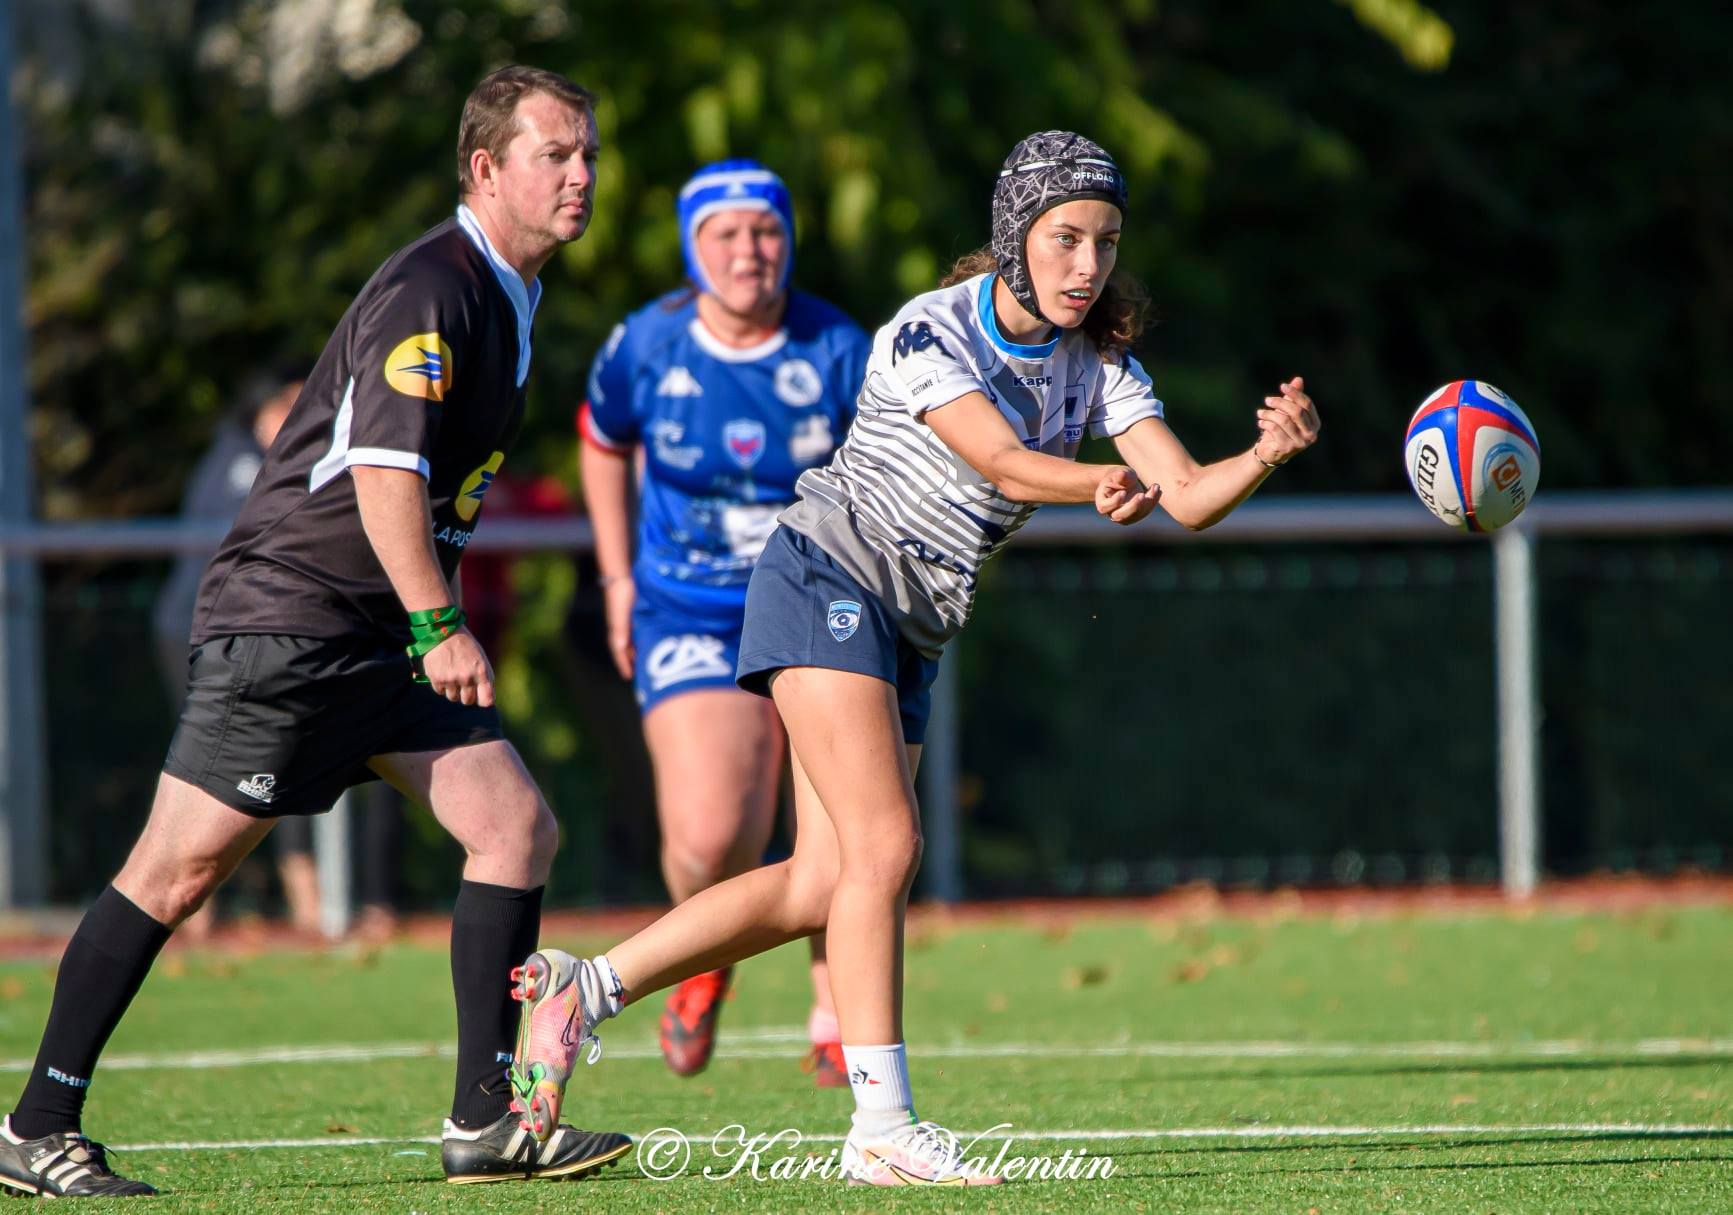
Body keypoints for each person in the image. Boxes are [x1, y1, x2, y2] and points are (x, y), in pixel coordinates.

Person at [508, 129, 1322, 1185]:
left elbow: (1189, 495)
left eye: (1105, 242)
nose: (1086, 265)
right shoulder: (926, 331)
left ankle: (587, 989)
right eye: (1065, 237)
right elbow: (998, 459)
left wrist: (1262, 452)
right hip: (821, 574)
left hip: (908, 625)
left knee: (818, 880)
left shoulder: (1099, 365)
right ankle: (881, 1129)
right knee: (885, 848)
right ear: (1014, 233)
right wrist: (1097, 486)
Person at [0, 66, 631, 1198]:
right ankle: (35, 1124)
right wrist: (440, 620)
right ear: (485, 171)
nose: (580, 174)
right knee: (175, 874)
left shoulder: (509, 296)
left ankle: (484, 1118)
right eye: (555, 154)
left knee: (512, 826)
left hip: (370, 640)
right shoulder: (433, 285)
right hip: (292, 625)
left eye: (586, 152)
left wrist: (415, 625)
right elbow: (386, 472)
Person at [578, 159, 869, 1085]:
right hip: (689, 606)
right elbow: (599, 438)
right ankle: (703, 961)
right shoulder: (646, 344)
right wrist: (618, 577)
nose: (749, 252)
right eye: (726, 235)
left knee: (846, 825)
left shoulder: (836, 346)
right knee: (709, 836)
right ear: (690, 247)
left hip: (823, 598)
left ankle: (839, 1012)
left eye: (766, 231)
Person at [151, 366, 322, 939]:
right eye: (291, 407)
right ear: (264, 413)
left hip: (241, 633)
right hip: (207, 634)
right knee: (209, 767)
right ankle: (185, 910)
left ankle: (308, 908)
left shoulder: (259, 460)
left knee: (271, 764)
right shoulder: (243, 465)